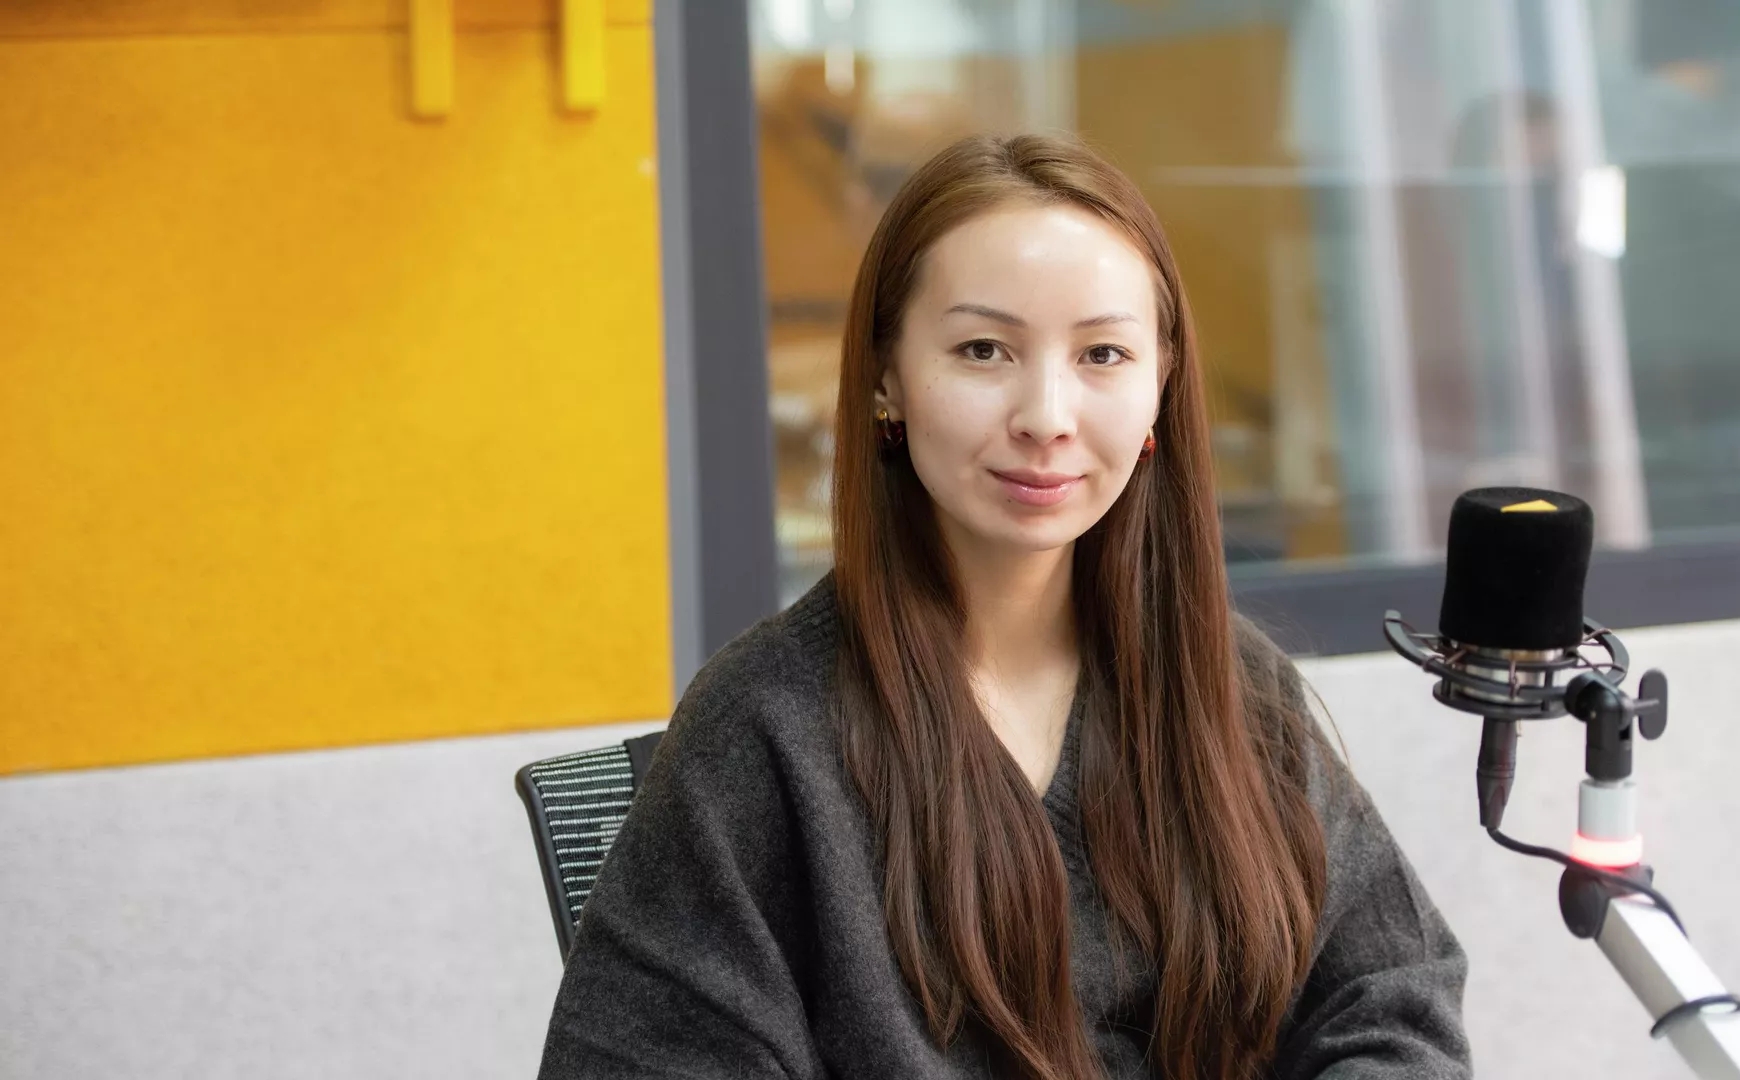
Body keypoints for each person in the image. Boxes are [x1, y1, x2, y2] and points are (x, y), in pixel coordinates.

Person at [537, 133, 1470, 1080]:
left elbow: (1395, 1002)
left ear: (1161, 383)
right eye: (983, 350)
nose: (1047, 417)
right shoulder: (764, 730)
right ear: (886, 375)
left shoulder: (1227, 681)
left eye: (1103, 353)